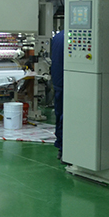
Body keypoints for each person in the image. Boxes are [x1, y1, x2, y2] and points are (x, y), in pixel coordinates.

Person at [50, 29, 64, 160]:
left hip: (58, 80)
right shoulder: (70, 38)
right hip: (67, 81)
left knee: (59, 114)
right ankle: (65, 148)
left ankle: (60, 145)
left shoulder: (58, 37)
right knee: (67, 115)